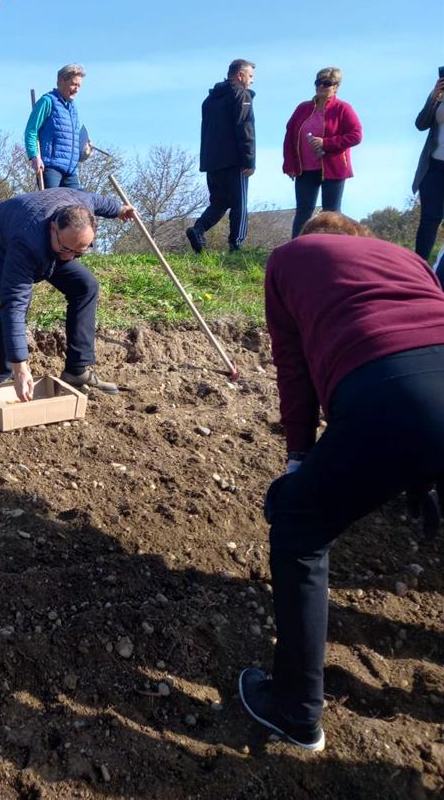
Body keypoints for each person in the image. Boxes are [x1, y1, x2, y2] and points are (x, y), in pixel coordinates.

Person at [238, 211, 444, 752]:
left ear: (312, 239)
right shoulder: (412, 259)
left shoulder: (287, 259)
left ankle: (295, 710)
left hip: (389, 391)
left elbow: (294, 367)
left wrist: (299, 458)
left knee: (300, 528)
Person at [0, 189, 135, 401]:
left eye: (79, 252)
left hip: (42, 242)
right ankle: (0, 376)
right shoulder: (26, 242)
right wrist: (21, 367)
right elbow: (14, 305)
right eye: (67, 249)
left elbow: (96, 200)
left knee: (85, 285)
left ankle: (77, 370)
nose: (69, 257)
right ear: (53, 227)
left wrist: (119, 209)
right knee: (13, 301)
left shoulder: (82, 208)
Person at [282, 67, 363, 238]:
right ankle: (296, 251)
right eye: (318, 83)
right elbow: (290, 135)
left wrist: (326, 143)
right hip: (305, 169)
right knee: (303, 212)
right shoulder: (303, 108)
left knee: (331, 215)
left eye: (326, 83)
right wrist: (289, 165)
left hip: (333, 169)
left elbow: (356, 135)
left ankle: (333, 251)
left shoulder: (343, 108)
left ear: (336, 87)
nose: (321, 87)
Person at [186, 59, 255, 252]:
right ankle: (236, 244)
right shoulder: (242, 95)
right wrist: (249, 159)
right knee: (239, 203)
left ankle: (198, 229)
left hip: (212, 161)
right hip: (235, 160)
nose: (252, 81)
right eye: (250, 76)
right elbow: (245, 126)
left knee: (219, 202)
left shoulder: (210, 100)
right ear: (240, 75)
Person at [25, 65, 86, 189]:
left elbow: (70, 140)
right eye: (74, 84)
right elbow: (31, 130)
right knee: (52, 205)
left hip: (71, 171)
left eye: (79, 86)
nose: (76, 89)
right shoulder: (47, 101)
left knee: (80, 205)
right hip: (51, 167)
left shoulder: (73, 108)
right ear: (61, 81)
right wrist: (34, 156)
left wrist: (84, 148)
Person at [412, 72, 444, 263]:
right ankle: (418, 267)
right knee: (430, 219)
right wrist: (434, 96)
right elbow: (421, 124)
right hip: (433, 166)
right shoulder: (439, 97)